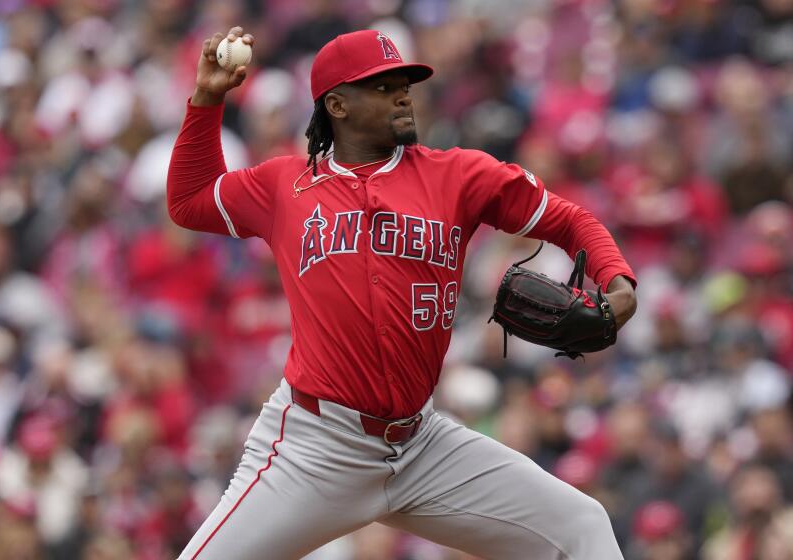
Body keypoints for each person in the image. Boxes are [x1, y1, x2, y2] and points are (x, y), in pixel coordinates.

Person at [168, 26, 637, 560]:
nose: (401, 94)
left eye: (404, 82)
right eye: (382, 85)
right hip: (317, 447)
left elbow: (569, 219)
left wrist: (618, 283)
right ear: (337, 104)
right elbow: (190, 200)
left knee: (581, 525)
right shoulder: (284, 185)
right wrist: (207, 100)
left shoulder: (457, 174)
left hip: (421, 445)